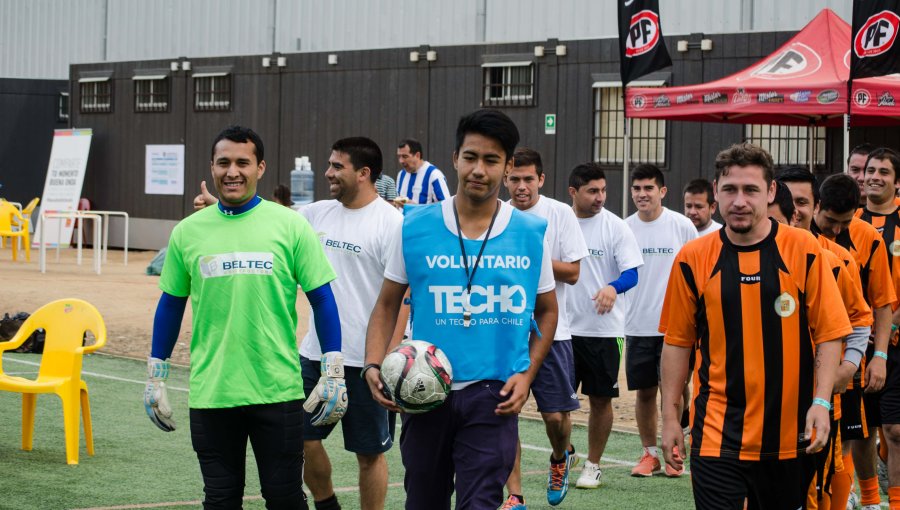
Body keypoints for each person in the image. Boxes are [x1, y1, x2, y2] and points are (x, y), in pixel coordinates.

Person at [143, 126, 347, 509]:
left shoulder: (290, 225)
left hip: (278, 391)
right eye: (224, 163)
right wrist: (156, 373)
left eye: (242, 162)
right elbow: (170, 304)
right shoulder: (188, 232)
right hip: (213, 392)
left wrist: (332, 368)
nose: (232, 171)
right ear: (212, 167)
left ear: (261, 168)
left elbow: (322, 298)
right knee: (220, 500)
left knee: (285, 497)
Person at [364, 109, 558, 509]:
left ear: (506, 168)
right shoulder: (414, 225)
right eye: (471, 157)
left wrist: (527, 375)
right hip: (423, 391)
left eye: (491, 160)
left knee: (481, 503)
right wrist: (372, 363)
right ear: (455, 158)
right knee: (424, 501)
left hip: (495, 394)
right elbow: (386, 304)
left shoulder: (529, 234)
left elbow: (548, 311)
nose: (478, 170)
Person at [659, 142, 850, 510]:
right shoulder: (692, 259)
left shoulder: (806, 250)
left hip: (789, 434)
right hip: (715, 432)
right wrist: (670, 418)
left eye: (751, 190)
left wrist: (822, 401)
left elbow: (829, 333)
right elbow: (677, 343)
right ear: (716, 192)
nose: (740, 201)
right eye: (730, 189)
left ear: (771, 192)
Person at [298, 137, 402, 510]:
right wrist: (221, 206)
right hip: (316, 354)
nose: (328, 172)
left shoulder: (392, 224)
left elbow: (403, 299)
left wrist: (385, 360)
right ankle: (327, 505)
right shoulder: (317, 214)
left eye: (336, 166)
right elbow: (271, 224)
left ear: (363, 173)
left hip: (366, 363)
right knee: (302, 439)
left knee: (369, 454)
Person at [774, 170, 874, 510]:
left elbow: (861, 317)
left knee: (821, 480)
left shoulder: (837, 259)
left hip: (821, 396)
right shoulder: (738, 258)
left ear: (815, 205)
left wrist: (849, 365)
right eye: (791, 203)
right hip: (762, 399)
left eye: (803, 202)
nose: (797, 211)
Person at [501, 147, 588, 508]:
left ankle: (560, 455)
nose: (521, 186)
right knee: (505, 418)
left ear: (541, 179)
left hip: (552, 332)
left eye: (528, 179)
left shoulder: (559, 213)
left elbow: (573, 271)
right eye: (514, 179)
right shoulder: (497, 214)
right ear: (506, 179)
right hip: (504, 330)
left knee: (555, 417)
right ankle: (515, 496)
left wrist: (529, 260)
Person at [809, 172, 898, 510]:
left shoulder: (866, 238)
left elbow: (881, 301)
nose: (835, 230)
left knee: (845, 441)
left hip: (848, 361)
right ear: (819, 205)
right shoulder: (797, 237)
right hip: (800, 356)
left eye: (844, 223)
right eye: (831, 221)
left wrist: (879, 356)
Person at [565, 162, 643, 490]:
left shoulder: (615, 227)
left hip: (603, 332)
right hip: (562, 330)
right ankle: (564, 451)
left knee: (600, 400)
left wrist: (613, 287)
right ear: (573, 192)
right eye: (592, 191)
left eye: (603, 190)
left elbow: (632, 273)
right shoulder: (558, 221)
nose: (600, 198)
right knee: (557, 403)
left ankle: (593, 465)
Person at [623, 163, 697, 477]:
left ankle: (675, 450)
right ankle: (649, 453)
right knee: (643, 392)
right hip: (636, 325)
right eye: (637, 188)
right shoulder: (623, 228)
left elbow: (697, 272)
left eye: (648, 188)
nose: (642, 194)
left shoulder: (682, 226)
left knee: (676, 391)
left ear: (662, 191)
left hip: (675, 329)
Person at [858, 147, 900, 509]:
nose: (874, 176)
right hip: (854, 343)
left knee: (895, 429)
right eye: (870, 170)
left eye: (884, 172)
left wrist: (890, 322)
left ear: (897, 182)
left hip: (897, 343)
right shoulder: (849, 220)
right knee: (860, 429)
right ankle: (869, 498)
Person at [395, 138, 450, 205]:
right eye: (399, 156)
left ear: (417, 155)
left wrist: (417, 208)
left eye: (405, 156)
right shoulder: (401, 174)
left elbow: (446, 206)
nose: (401, 161)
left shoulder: (434, 175)